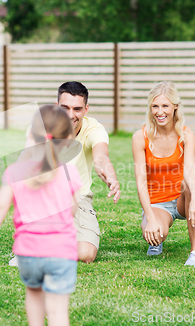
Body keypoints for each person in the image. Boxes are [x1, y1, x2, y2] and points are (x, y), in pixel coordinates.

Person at [0, 105, 82, 326]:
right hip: (60, 253)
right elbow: (72, 208)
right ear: (66, 141)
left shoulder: (15, 172)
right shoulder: (68, 172)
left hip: (28, 254)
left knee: (34, 299)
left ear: (29, 135)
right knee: (57, 313)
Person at [10, 81, 121, 265]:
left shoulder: (94, 129)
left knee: (86, 254)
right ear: (56, 107)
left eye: (77, 109)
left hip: (79, 198)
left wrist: (110, 175)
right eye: (65, 108)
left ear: (86, 109)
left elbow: (101, 156)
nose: (71, 115)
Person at [131, 81, 195, 266]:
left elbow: (189, 169)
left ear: (175, 107)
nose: (160, 112)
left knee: (192, 188)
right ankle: (157, 240)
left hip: (181, 198)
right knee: (154, 234)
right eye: (155, 106)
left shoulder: (186, 135)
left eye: (165, 106)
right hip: (157, 202)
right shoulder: (140, 137)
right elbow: (140, 183)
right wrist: (151, 218)